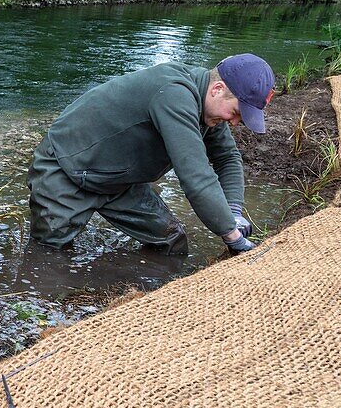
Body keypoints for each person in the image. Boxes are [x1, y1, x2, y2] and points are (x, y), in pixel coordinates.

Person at [27, 54, 274, 256]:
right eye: (235, 113)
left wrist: (233, 213)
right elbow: (196, 177)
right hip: (66, 169)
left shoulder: (210, 110)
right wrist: (232, 236)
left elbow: (228, 158)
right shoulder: (175, 94)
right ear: (217, 89)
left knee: (171, 243)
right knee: (48, 256)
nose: (233, 123)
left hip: (118, 181)